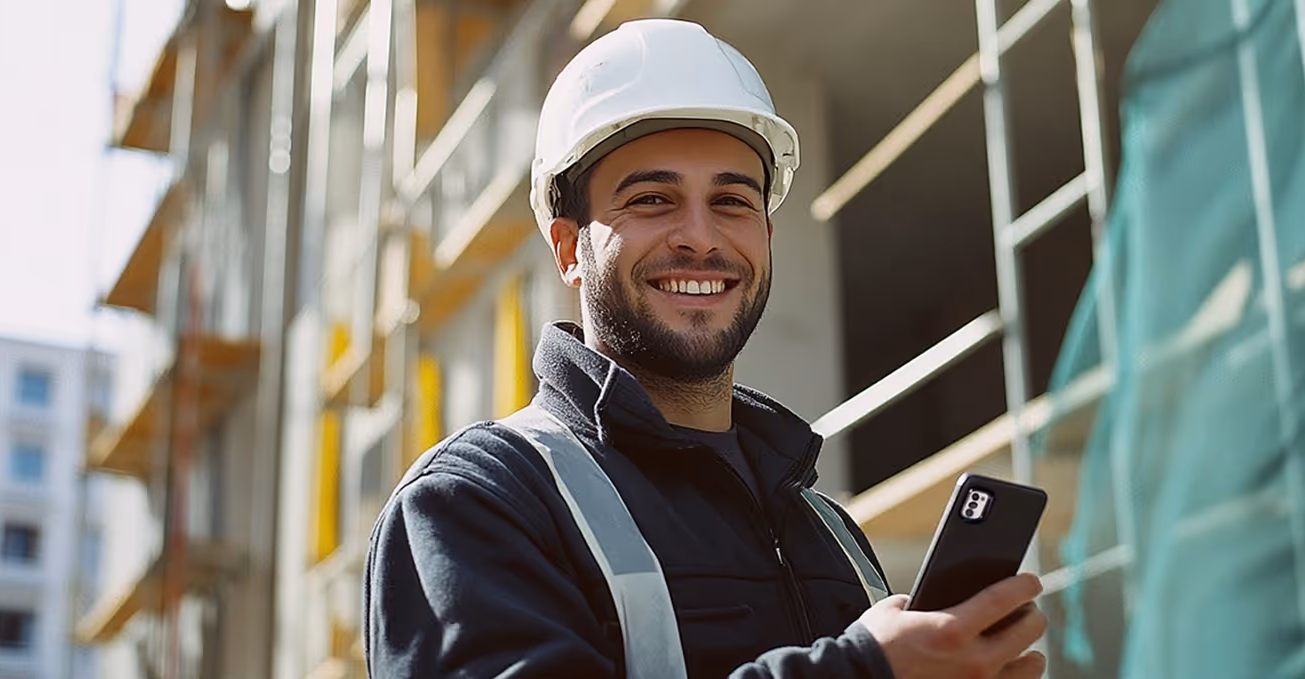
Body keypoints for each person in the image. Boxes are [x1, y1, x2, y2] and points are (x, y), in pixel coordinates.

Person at [363, 18, 1047, 679]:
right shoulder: (475, 501)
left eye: (732, 201)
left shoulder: (822, 525)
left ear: (768, 238)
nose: (700, 237)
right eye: (654, 199)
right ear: (570, 248)